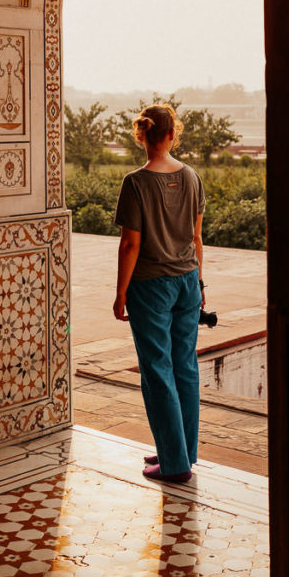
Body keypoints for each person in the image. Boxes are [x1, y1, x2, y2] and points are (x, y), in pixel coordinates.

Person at [113, 103, 206, 483]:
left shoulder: (136, 182)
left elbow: (130, 246)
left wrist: (120, 294)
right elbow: (198, 238)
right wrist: (199, 285)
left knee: (158, 371)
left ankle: (174, 463)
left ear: (141, 136)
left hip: (150, 285)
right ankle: (181, 450)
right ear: (172, 134)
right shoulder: (192, 177)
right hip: (187, 280)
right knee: (185, 366)